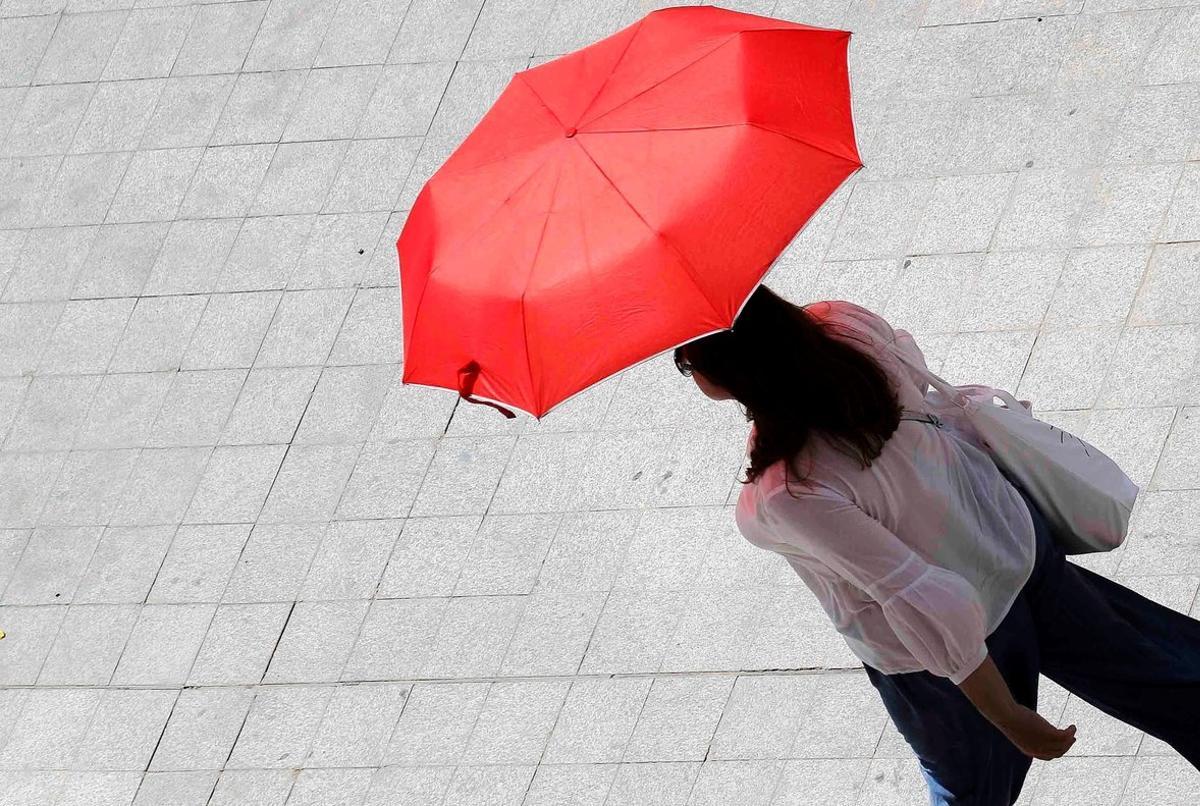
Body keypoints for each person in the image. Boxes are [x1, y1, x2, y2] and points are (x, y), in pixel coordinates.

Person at [674, 284, 1200, 804]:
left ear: (727, 373)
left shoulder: (789, 488)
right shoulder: (846, 326)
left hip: (944, 658)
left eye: (686, 363)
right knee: (1152, 672)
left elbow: (918, 594)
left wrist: (1006, 714)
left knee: (969, 789)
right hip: (1010, 542)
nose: (690, 373)